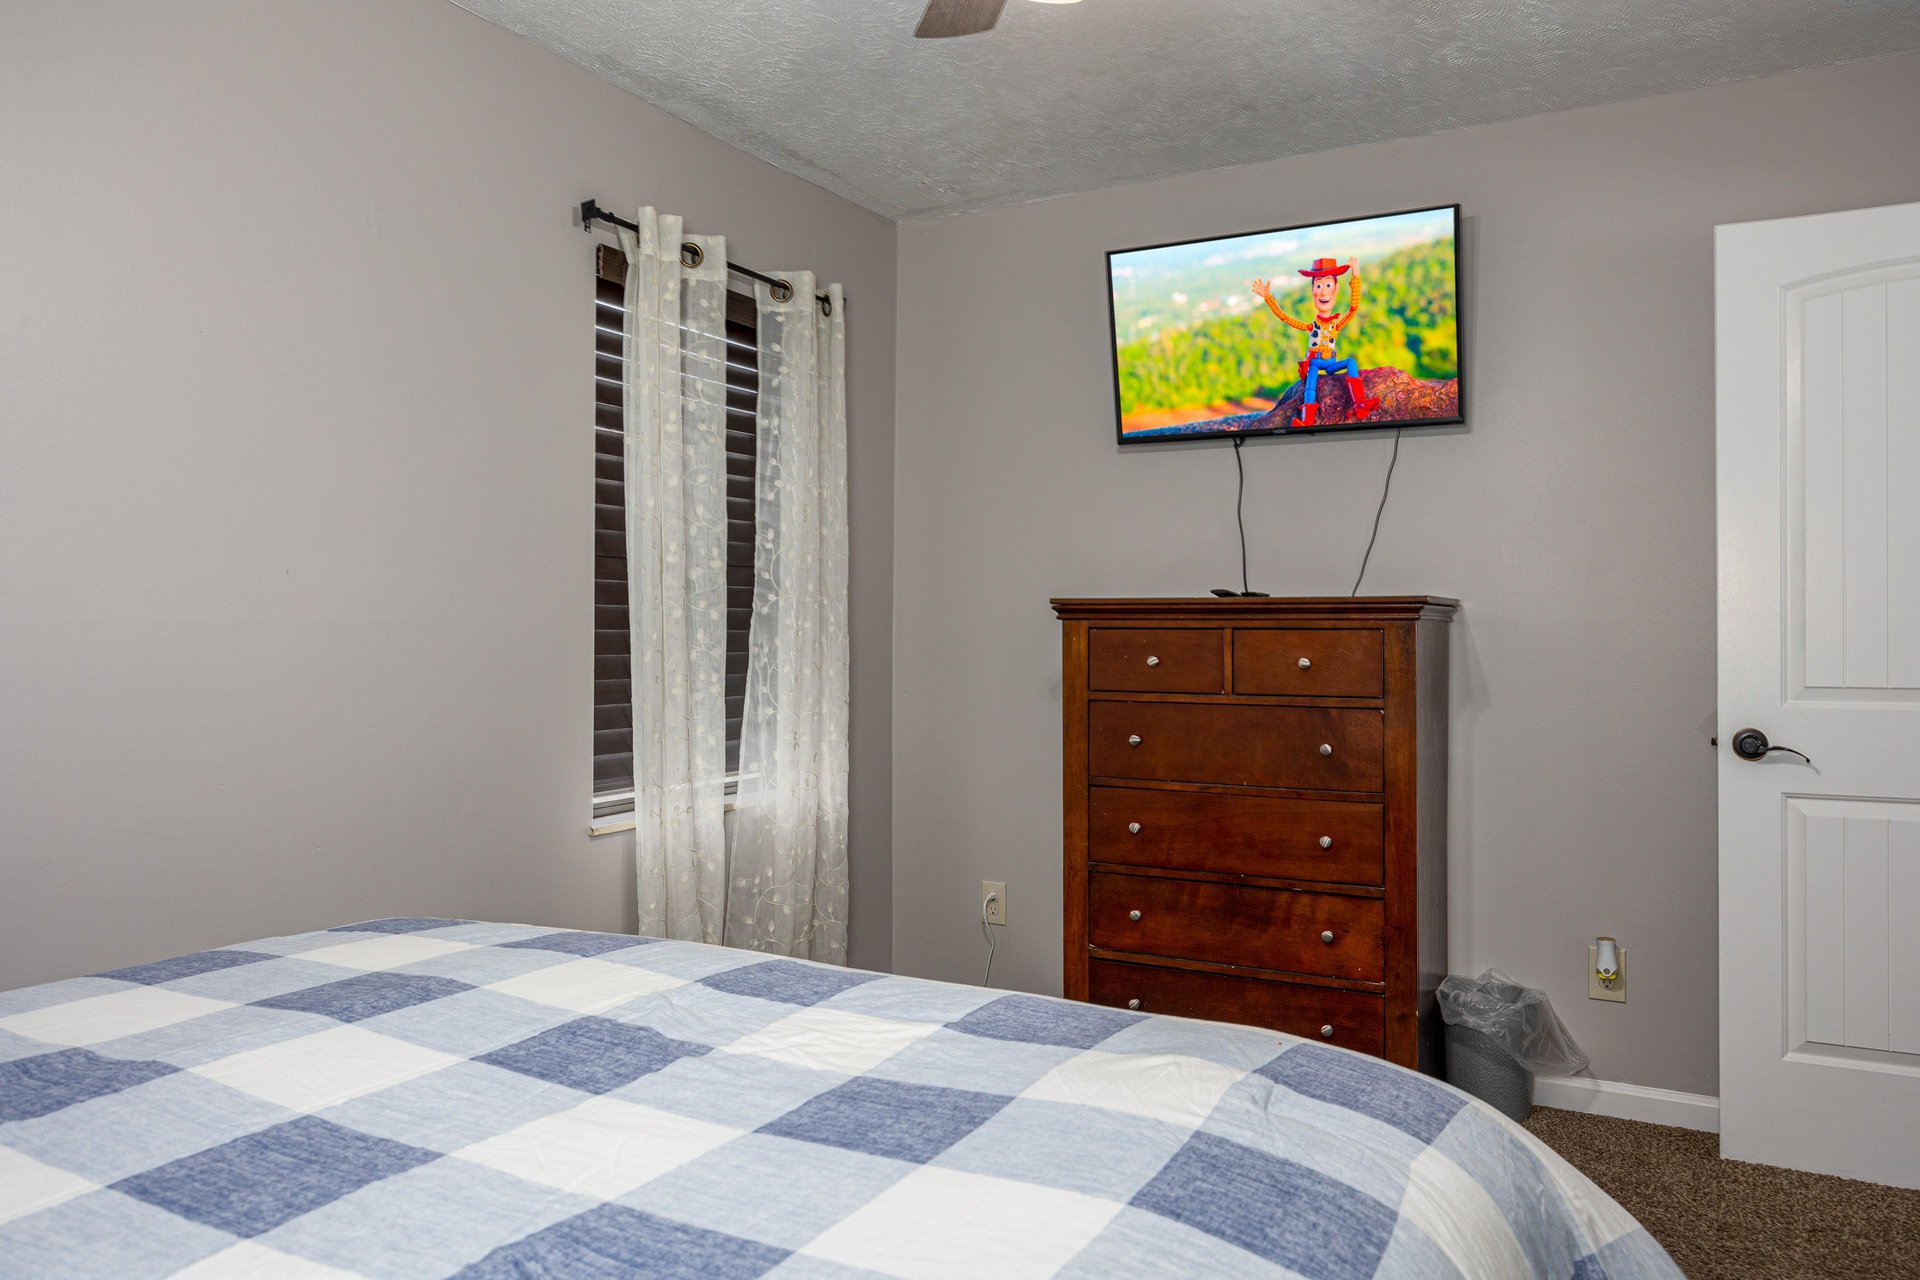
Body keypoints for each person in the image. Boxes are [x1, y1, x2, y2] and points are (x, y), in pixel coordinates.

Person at [1250, 257, 1382, 428]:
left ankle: (1359, 403)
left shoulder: (1335, 325)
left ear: (1336, 289)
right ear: (1312, 290)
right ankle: (1307, 418)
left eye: (1328, 285)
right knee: (1311, 377)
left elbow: (1353, 308)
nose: (1323, 292)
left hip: (1331, 363)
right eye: (1318, 286)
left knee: (1351, 363)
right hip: (1315, 363)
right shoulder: (1312, 327)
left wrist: (1356, 277)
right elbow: (1285, 318)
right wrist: (1268, 297)